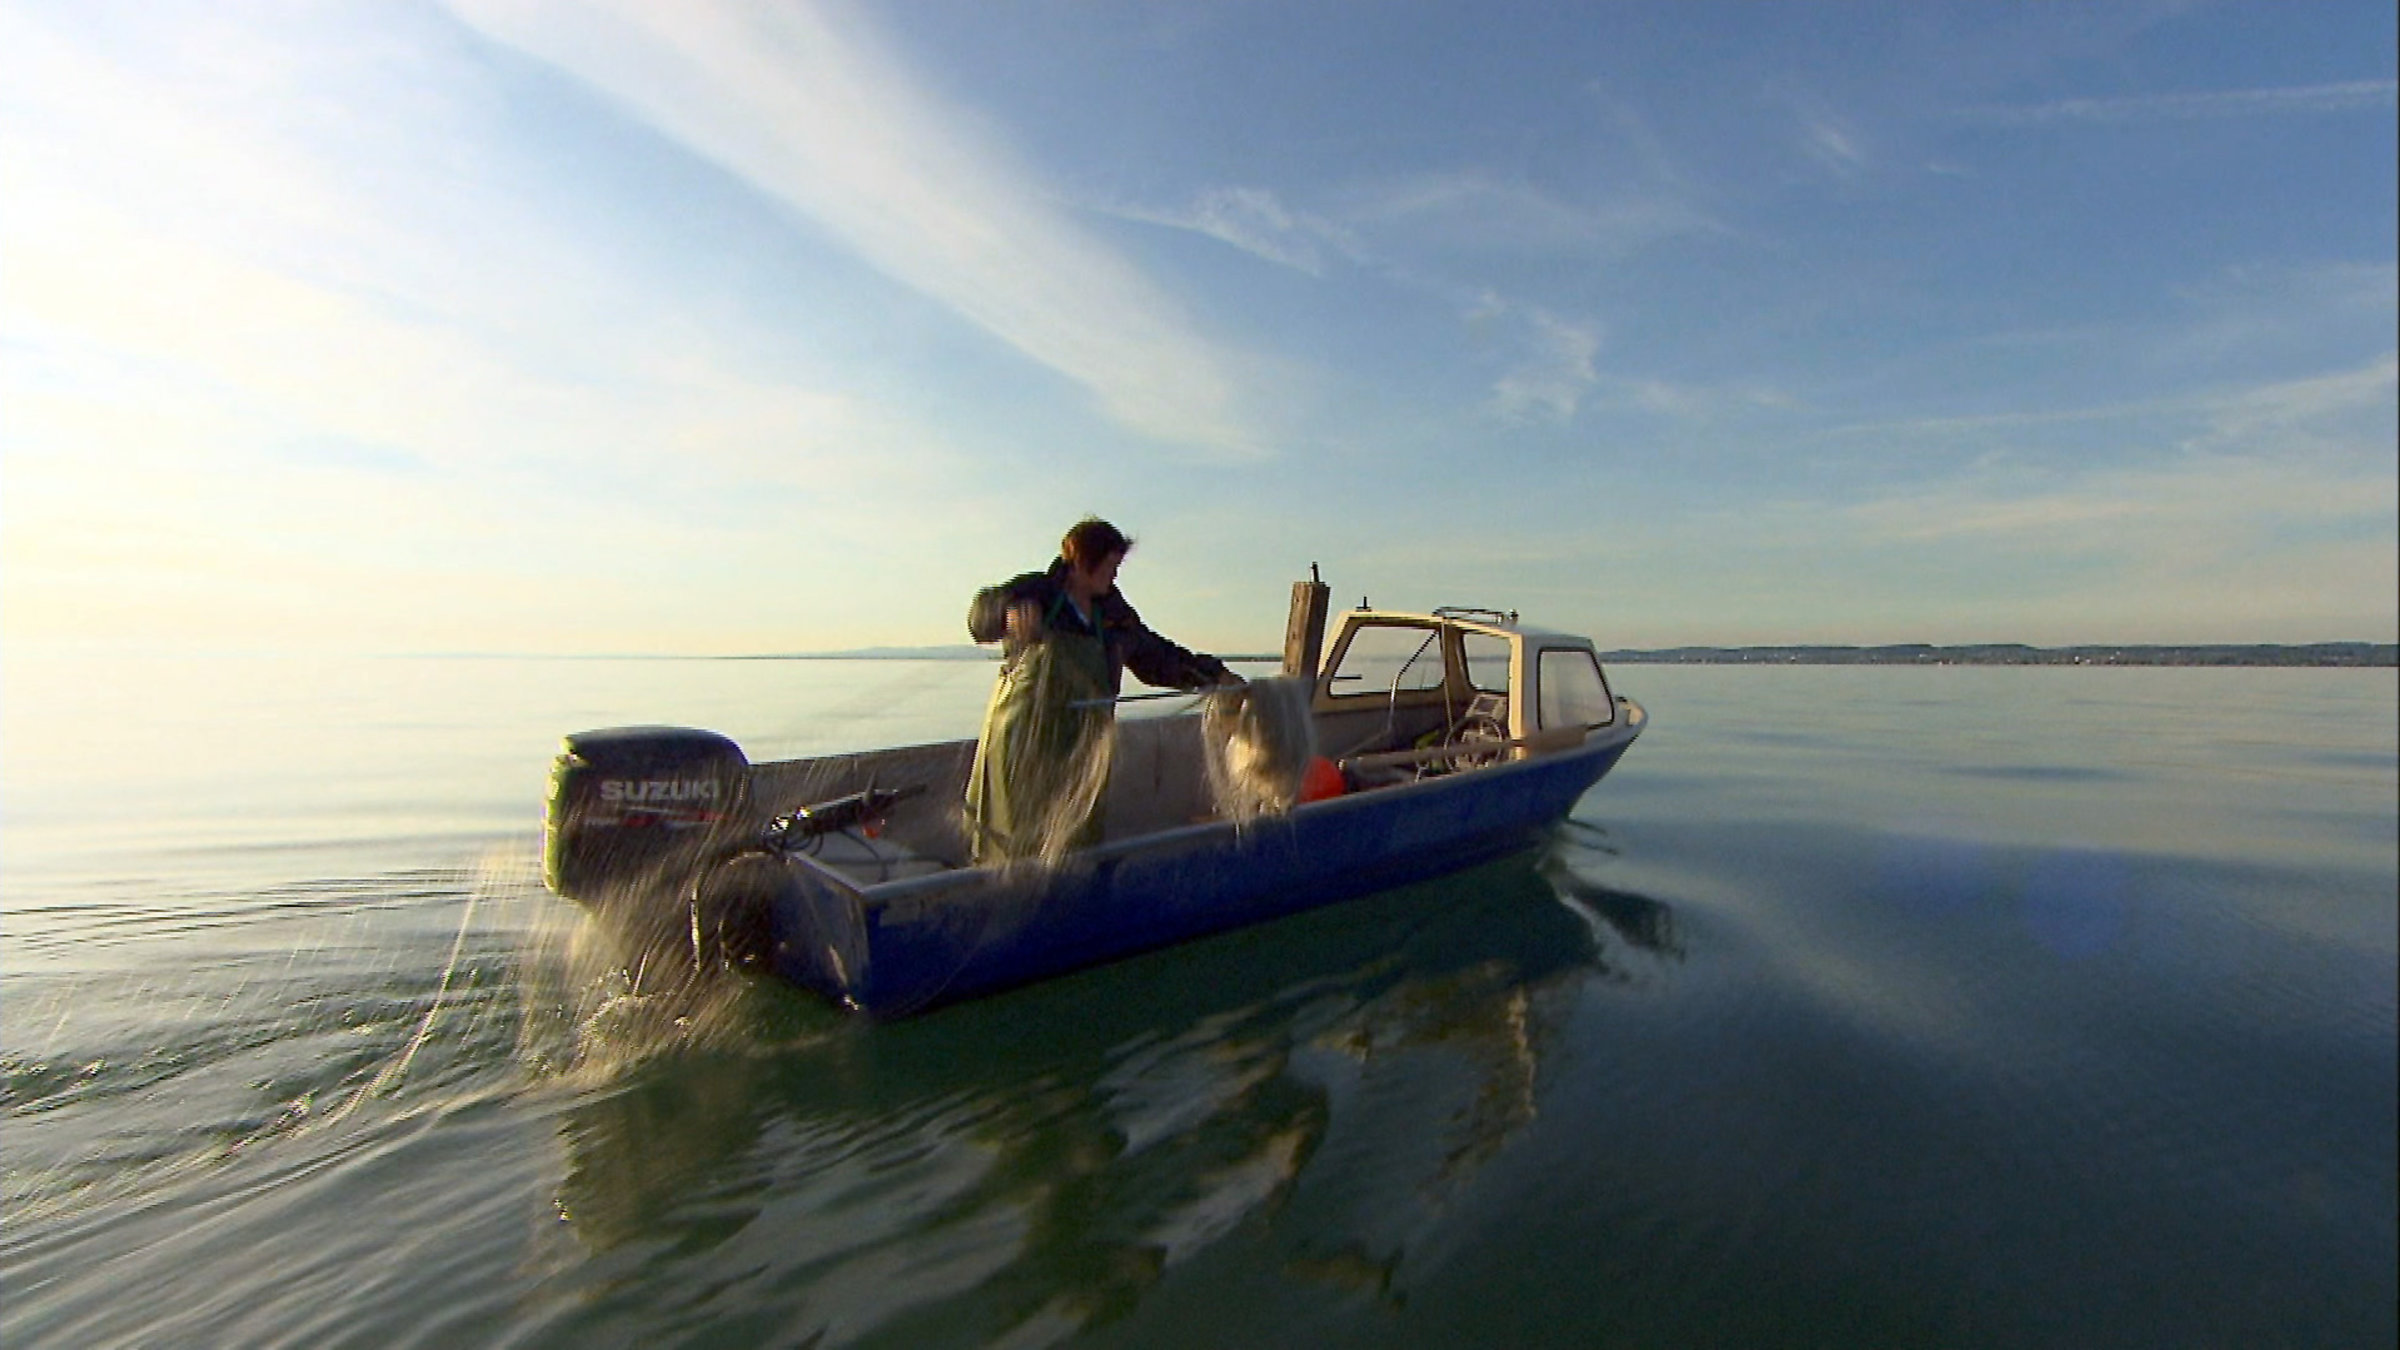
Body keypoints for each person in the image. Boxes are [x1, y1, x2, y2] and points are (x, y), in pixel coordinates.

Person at [964, 517, 1236, 864]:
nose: (1115, 575)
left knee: (1076, 835)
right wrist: (1005, 612)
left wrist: (1213, 674)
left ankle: (1074, 898)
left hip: (1083, 746)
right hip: (1022, 745)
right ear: (1082, 560)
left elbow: (1156, 657)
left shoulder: (1113, 613)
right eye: (1111, 564)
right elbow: (978, 622)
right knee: (1015, 837)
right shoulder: (1035, 592)